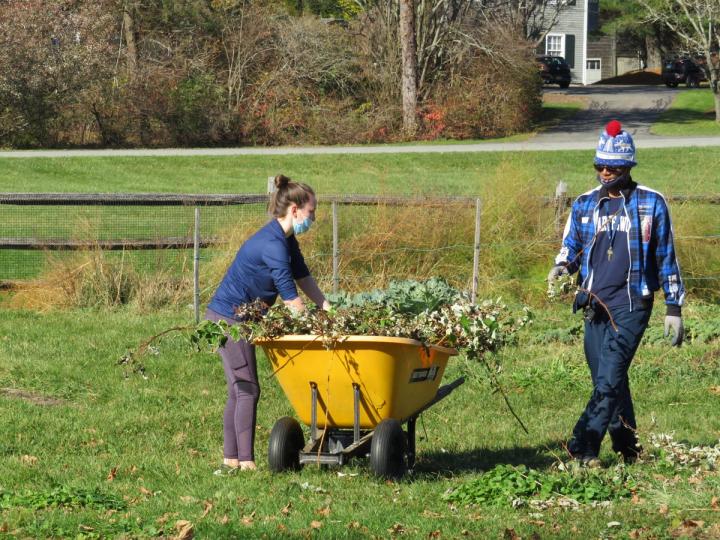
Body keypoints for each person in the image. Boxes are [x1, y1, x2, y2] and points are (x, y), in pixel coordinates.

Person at [547, 120, 685, 467]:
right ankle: (629, 447)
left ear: (628, 167)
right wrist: (561, 268)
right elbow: (572, 248)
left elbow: (666, 255)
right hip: (593, 304)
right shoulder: (583, 205)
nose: (605, 172)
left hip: (632, 303)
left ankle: (583, 447)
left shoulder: (651, 204)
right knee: (609, 380)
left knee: (608, 375)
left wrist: (673, 306)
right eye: (600, 165)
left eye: (613, 166)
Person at [206, 174, 330, 473]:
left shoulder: (286, 241)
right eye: (311, 212)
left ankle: (232, 459)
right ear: (295, 209)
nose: (313, 218)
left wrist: (326, 306)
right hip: (229, 320)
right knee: (247, 389)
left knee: (239, 389)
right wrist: (318, 328)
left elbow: (303, 277)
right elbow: (291, 297)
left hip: (240, 319)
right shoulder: (272, 245)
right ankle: (245, 462)